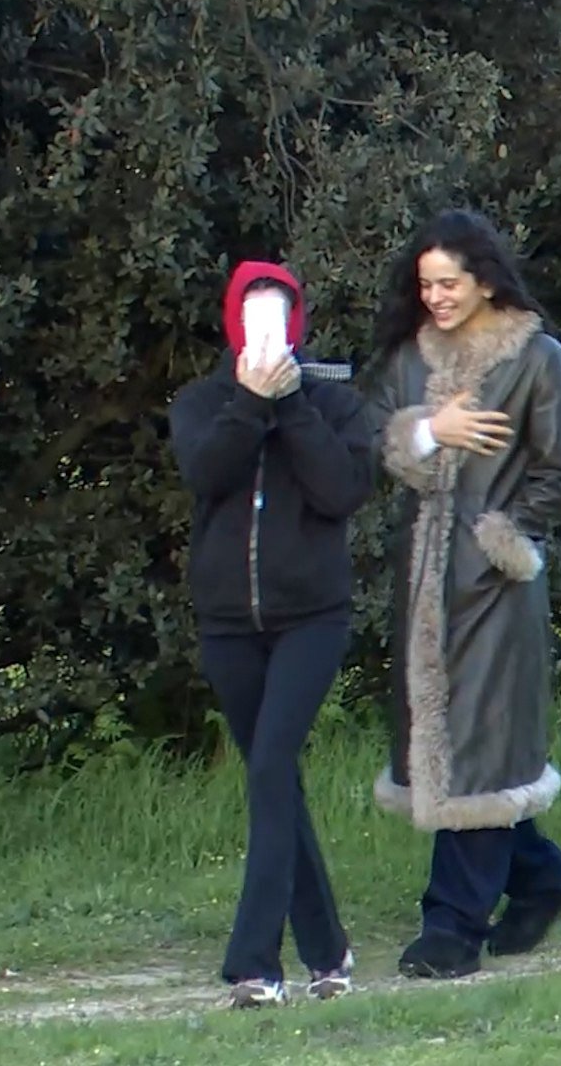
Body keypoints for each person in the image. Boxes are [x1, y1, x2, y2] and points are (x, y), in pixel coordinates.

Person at [367, 208, 561, 979]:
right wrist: (432, 431)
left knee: (482, 749)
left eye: (448, 283)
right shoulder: (409, 357)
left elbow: (559, 472)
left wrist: (504, 540)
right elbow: (376, 437)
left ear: (485, 280)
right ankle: (541, 875)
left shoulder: (539, 360)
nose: (435, 297)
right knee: (451, 752)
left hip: (495, 584)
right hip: (424, 580)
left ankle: (451, 926)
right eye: (425, 284)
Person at [167, 260, 376, 1007]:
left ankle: (254, 964)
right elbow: (206, 474)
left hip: (310, 617)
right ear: (233, 322)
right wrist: (251, 403)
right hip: (229, 622)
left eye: (277, 314)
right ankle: (329, 952)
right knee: (273, 778)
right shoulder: (202, 403)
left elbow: (342, 489)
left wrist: (290, 406)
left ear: (296, 323)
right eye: (252, 313)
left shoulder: (333, 402)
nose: (265, 328)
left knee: (270, 765)